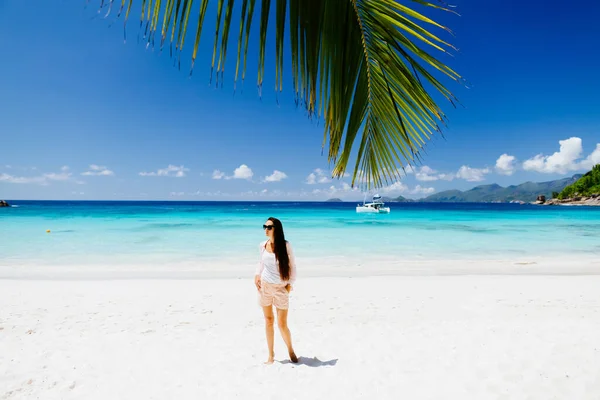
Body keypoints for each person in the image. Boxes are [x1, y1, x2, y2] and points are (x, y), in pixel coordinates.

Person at [255, 217, 298, 365]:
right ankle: (270, 354)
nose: (265, 230)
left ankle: (290, 349)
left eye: (269, 227)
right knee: (268, 321)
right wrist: (256, 275)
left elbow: (293, 267)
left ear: (276, 229)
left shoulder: (286, 246)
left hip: (281, 288)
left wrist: (289, 285)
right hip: (265, 287)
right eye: (264, 227)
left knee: (282, 324)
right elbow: (261, 263)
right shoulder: (262, 245)